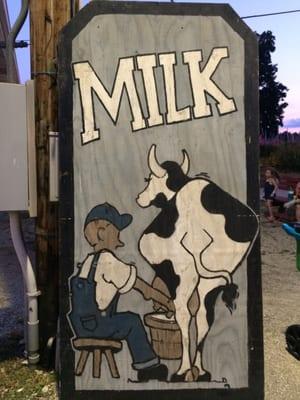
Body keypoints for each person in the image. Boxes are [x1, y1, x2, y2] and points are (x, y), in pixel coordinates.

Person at [68, 203, 168, 382]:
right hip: (99, 326)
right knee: (132, 321)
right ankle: (148, 367)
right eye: (116, 229)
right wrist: (167, 302)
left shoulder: (88, 261)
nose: (119, 235)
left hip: (81, 326)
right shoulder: (108, 261)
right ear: (102, 232)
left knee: (127, 319)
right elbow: (143, 288)